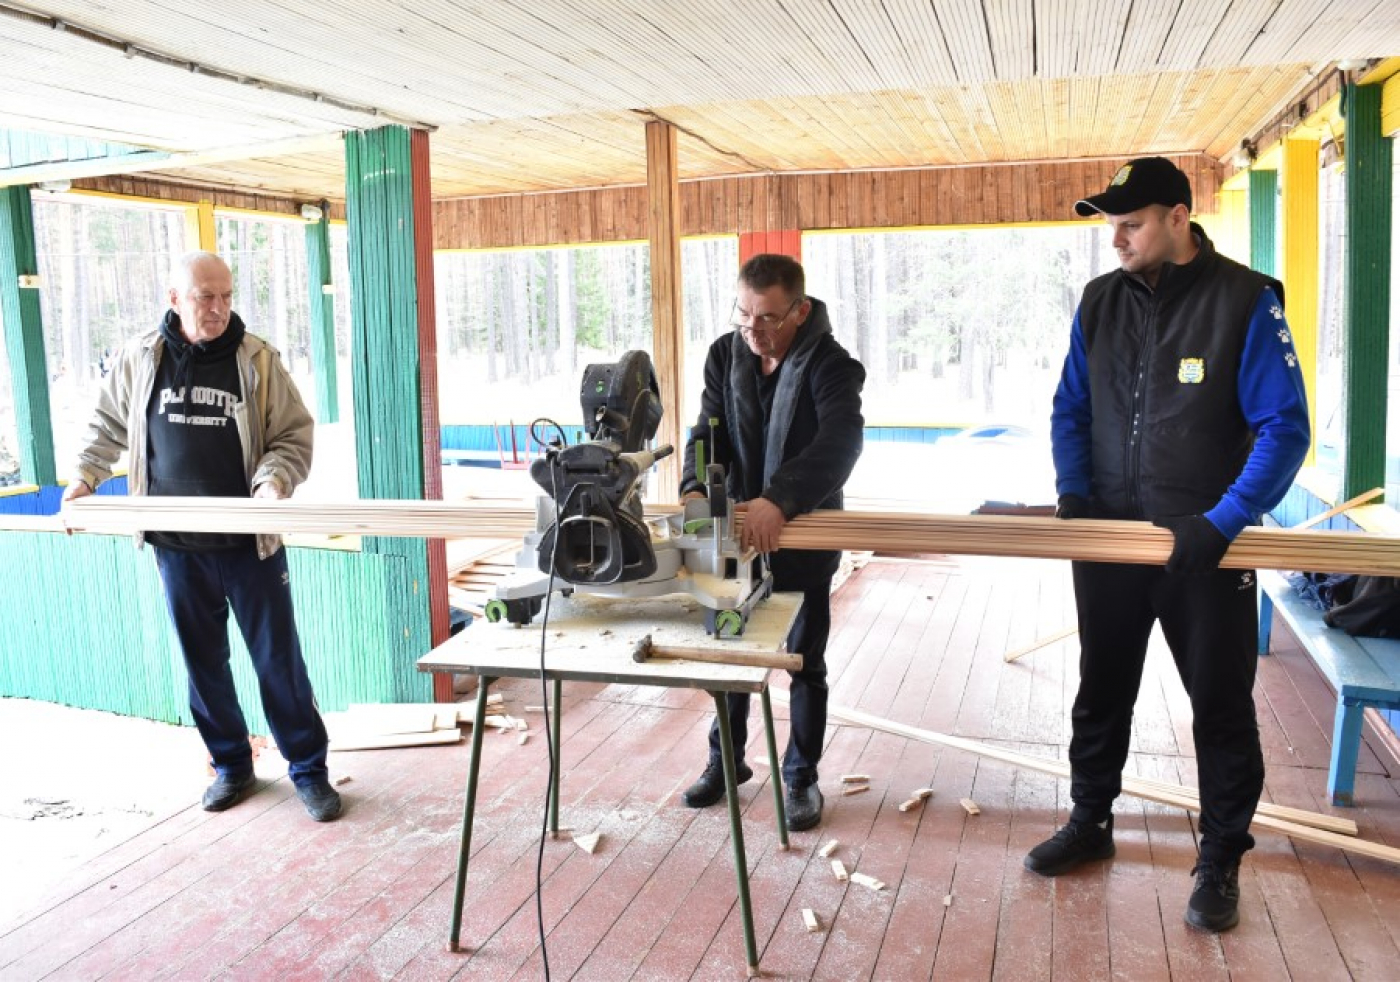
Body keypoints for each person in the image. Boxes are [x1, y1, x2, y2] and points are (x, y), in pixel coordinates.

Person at [1035, 157, 1310, 931]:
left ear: (1179, 217)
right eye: (1109, 227)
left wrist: (1222, 523)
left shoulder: (1245, 300)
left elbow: (1284, 430)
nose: (1116, 240)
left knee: (1220, 707)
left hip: (1204, 549)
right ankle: (1091, 823)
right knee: (1102, 691)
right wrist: (1074, 495)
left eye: (1132, 224)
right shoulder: (1098, 303)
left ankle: (1220, 857)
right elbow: (1070, 409)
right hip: (1113, 543)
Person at [62, 250, 341, 822]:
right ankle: (232, 765)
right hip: (175, 547)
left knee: (278, 662)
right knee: (203, 663)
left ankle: (309, 770)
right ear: (174, 299)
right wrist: (85, 477)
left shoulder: (256, 359)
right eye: (203, 298)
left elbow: (292, 435)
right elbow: (108, 426)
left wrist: (273, 482)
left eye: (225, 296)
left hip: (249, 546)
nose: (216, 309)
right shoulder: (141, 358)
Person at [679, 253, 866, 832]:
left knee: (804, 663)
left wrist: (779, 499)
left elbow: (840, 446)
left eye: (768, 318)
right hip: (736, 536)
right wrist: (693, 485)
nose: (753, 331)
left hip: (805, 534)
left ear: (800, 310)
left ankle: (800, 777)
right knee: (728, 653)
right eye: (744, 315)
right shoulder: (725, 353)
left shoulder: (833, 366)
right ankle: (725, 761)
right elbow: (708, 431)